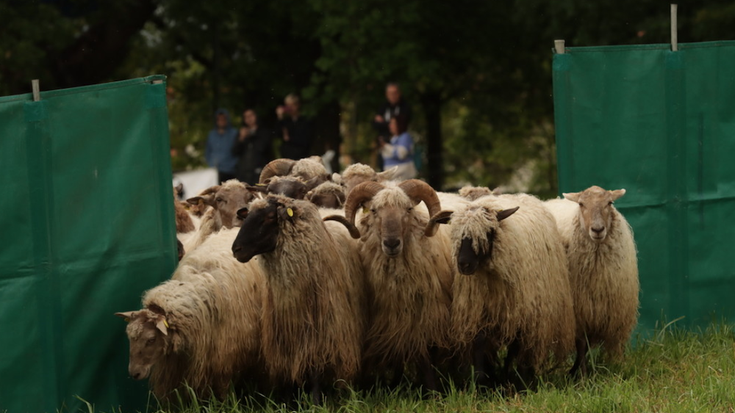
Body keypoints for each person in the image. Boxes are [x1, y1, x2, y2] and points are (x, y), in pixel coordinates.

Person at [232, 108, 273, 184]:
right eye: (246, 117)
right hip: (244, 173)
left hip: (260, 172)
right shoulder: (241, 133)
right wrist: (241, 138)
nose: (249, 119)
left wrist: (252, 135)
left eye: (251, 116)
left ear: (256, 116)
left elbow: (263, 148)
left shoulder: (264, 132)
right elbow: (234, 151)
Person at [372, 82, 412, 147]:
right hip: (384, 142)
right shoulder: (383, 107)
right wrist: (392, 124)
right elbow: (375, 124)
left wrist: (383, 123)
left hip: (399, 143)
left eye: (394, 93)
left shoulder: (405, 107)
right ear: (386, 94)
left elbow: (402, 124)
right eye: (390, 93)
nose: (392, 96)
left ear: (399, 93)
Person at [205, 108, 239, 183]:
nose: (221, 121)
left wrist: (233, 164)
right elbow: (208, 151)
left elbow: (238, 150)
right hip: (214, 172)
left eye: (223, 119)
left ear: (227, 119)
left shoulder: (234, 133)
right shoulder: (212, 134)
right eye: (219, 119)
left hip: (230, 172)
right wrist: (211, 163)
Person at [379, 113, 417, 180]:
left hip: (402, 176)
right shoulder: (394, 139)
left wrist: (386, 146)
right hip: (393, 177)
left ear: (399, 124)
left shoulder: (405, 137)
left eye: (392, 123)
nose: (390, 126)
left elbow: (401, 154)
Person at [276, 94, 313, 160]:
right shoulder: (286, 121)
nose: (290, 108)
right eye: (288, 106)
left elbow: (305, 140)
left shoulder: (305, 121)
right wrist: (280, 117)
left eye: (292, 105)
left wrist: (289, 139)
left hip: (301, 156)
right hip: (287, 156)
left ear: (297, 105)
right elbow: (278, 134)